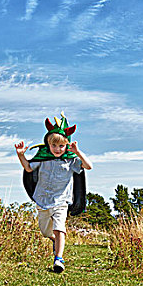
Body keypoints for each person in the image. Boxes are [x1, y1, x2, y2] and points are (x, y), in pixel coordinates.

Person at [15, 115, 92, 273]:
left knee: (59, 227)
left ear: (66, 146)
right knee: (45, 231)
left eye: (61, 146)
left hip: (61, 201)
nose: (57, 149)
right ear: (48, 145)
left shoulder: (71, 161)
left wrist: (77, 152)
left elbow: (88, 166)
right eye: (54, 145)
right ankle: (55, 241)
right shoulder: (43, 160)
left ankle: (59, 259)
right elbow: (28, 168)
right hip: (43, 200)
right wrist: (21, 155)